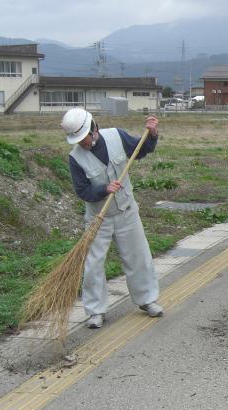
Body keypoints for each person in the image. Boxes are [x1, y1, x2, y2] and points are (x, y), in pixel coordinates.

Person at [61, 108, 164, 329]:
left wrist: (152, 134)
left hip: (127, 211)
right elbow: (82, 191)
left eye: (84, 138)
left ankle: (147, 300)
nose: (82, 143)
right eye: (77, 140)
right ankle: (95, 311)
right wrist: (104, 189)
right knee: (93, 265)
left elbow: (141, 150)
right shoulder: (75, 158)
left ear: (94, 128)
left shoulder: (116, 136)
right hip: (99, 218)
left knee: (138, 257)